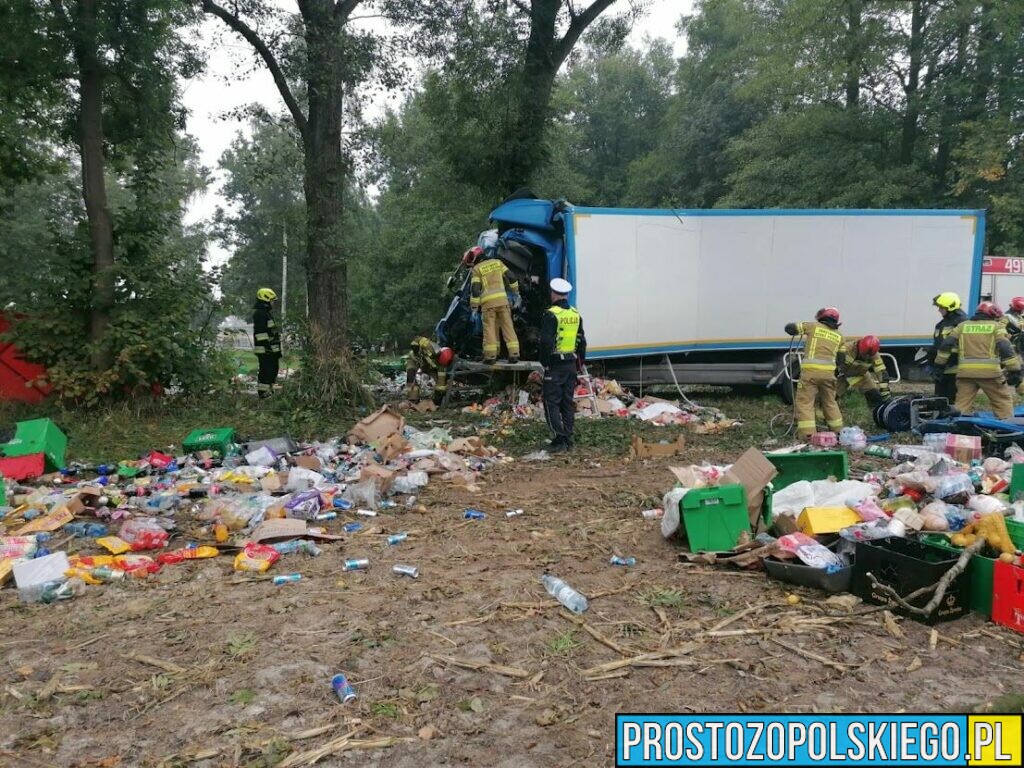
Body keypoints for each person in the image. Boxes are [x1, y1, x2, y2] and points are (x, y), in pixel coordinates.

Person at [934, 301, 1021, 419]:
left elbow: (946, 345)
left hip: (965, 375)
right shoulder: (997, 327)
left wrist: (939, 365)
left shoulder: (962, 326)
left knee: (961, 405)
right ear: (992, 314)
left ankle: (957, 427)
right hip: (991, 376)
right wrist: (1014, 369)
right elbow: (1005, 349)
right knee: (1002, 401)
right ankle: (1006, 428)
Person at [539, 278, 586, 453]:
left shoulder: (551, 314)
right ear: (566, 294)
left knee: (551, 402)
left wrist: (544, 363)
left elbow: (545, 342)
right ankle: (567, 436)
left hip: (556, 365)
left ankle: (559, 439)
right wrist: (580, 363)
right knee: (567, 402)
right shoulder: (575, 314)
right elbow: (582, 341)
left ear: (553, 294)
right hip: (571, 365)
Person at [785, 307, 844, 440]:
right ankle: (838, 431)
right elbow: (841, 358)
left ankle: (808, 435)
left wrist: (791, 327)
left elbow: (791, 328)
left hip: (810, 374)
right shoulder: (839, 336)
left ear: (822, 316)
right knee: (830, 402)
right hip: (829, 376)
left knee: (805, 402)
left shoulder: (813, 326)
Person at [470, 252, 521, 364]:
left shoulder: (477, 269)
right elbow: (511, 277)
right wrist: (516, 291)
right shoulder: (498, 263)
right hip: (503, 302)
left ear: (476, 260)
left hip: (488, 305)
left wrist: (474, 306)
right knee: (508, 327)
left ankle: (491, 356)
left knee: (490, 329)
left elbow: (475, 289)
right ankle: (514, 354)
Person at [930, 292, 968, 403]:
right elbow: (938, 343)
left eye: (941, 307)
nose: (939, 310)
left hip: (956, 370)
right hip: (943, 368)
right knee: (940, 400)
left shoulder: (962, 322)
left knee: (952, 401)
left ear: (950, 307)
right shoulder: (942, 323)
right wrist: (931, 357)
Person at [836, 335, 892, 408]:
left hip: (859, 375)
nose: (867, 357)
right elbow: (835, 364)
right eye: (865, 354)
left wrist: (886, 394)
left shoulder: (874, 354)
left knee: (874, 395)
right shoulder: (846, 349)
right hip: (841, 374)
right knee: (829, 397)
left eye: (870, 355)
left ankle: (876, 412)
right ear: (860, 347)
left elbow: (881, 372)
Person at [405, 336, 454, 405]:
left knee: (439, 380)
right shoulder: (429, 346)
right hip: (413, 359)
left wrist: (439, 395)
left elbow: (441, 383)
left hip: (427, 366)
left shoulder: (442, 366)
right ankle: (413, 399)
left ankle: (439, 399)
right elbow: (417, 340)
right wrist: (416, 348)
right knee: (411, 375)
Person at [252, 287, 281, 398]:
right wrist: (267, 348)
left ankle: (269, 392)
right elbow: (261, 334)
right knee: (265, 373)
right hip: (265, 351)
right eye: (272, 300)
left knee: (272, 372)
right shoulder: (260, 314)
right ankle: (263, 394)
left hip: (271, 351)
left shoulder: (266, 314)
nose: (273, 303)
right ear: (266, 300)